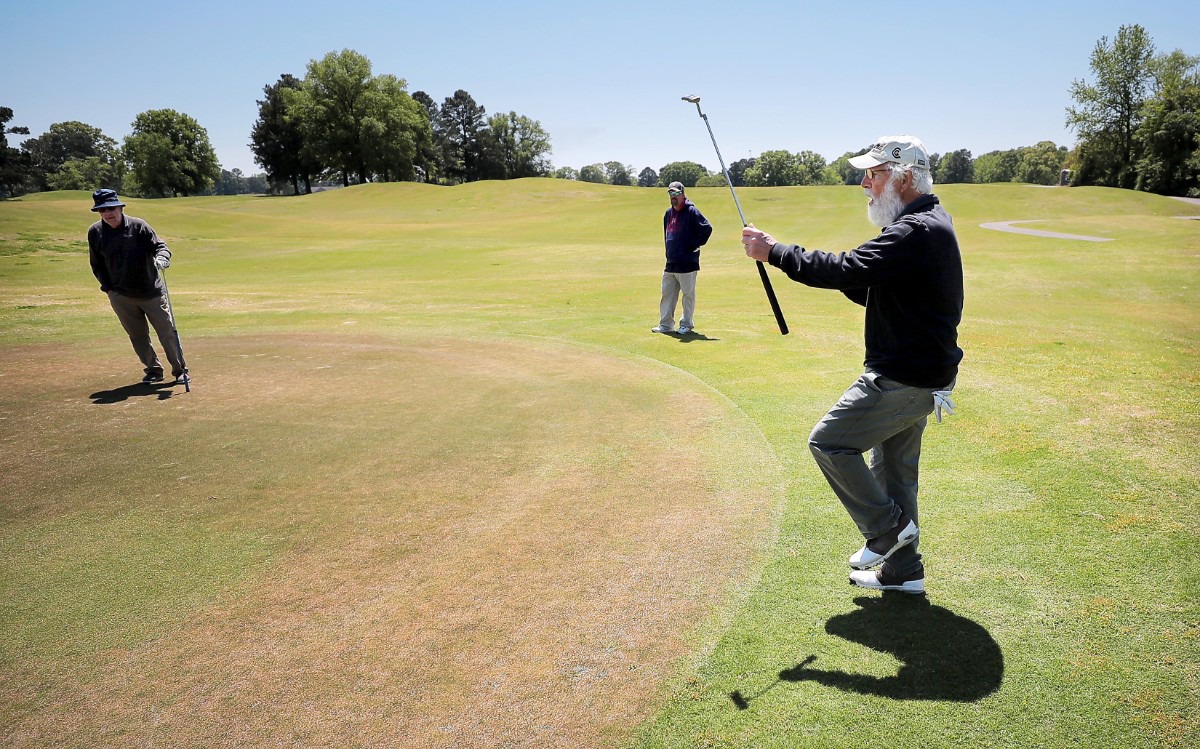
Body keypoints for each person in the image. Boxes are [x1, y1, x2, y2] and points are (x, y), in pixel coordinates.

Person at [741, 136, 963, 594]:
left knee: (830, 443)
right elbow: (865, 282)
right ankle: (903, 572)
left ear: (902, 177)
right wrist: (849, 274)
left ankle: (886, 531)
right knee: (894, 474)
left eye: (873, 173)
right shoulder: (924, 225)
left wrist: (776, 251)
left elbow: (850, 270)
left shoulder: (915, 231)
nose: (864, 183)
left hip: (902, 379)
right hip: (923, 376)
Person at [87, 188, 188, 385]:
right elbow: (96, 264)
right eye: (102, 210)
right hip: (121, 295)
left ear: (120, 208)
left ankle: (180, 370)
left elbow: (160, 246)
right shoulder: (95, 232)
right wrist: (109, 289)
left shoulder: (138, 226)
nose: (108, 214)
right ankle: (153, 370)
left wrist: (162, 258)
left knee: (167, 332)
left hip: (151, 291)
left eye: (111, 208)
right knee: (138, 336)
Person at [652, 181, 712, 335]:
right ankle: (666, 325)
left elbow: (707, 229)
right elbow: (667, 235)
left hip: (687, 262)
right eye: (671, 194)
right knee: (667, 295)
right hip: (671, 262)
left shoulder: (692, 211)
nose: (673, 197)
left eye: (676, 193)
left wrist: (692, 245)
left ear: (683, 194)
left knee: (688, 295)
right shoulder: (668, 213)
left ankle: (686, 324)